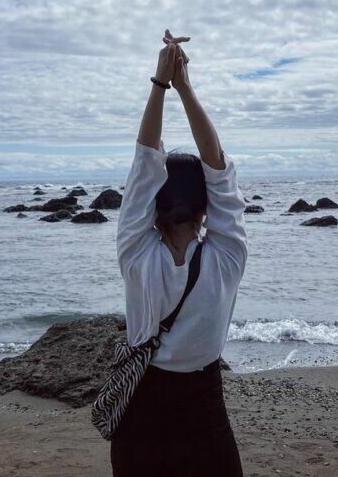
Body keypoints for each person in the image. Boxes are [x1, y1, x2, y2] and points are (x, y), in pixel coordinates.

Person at [110, 30, 248, 476]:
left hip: (142, 414)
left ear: (152, 204)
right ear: (207, 207)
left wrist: (160, 83)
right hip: (203, 412)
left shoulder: (136, 254)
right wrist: (184, 85)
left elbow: (144, 159)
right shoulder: (227, 258)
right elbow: (218, 165)